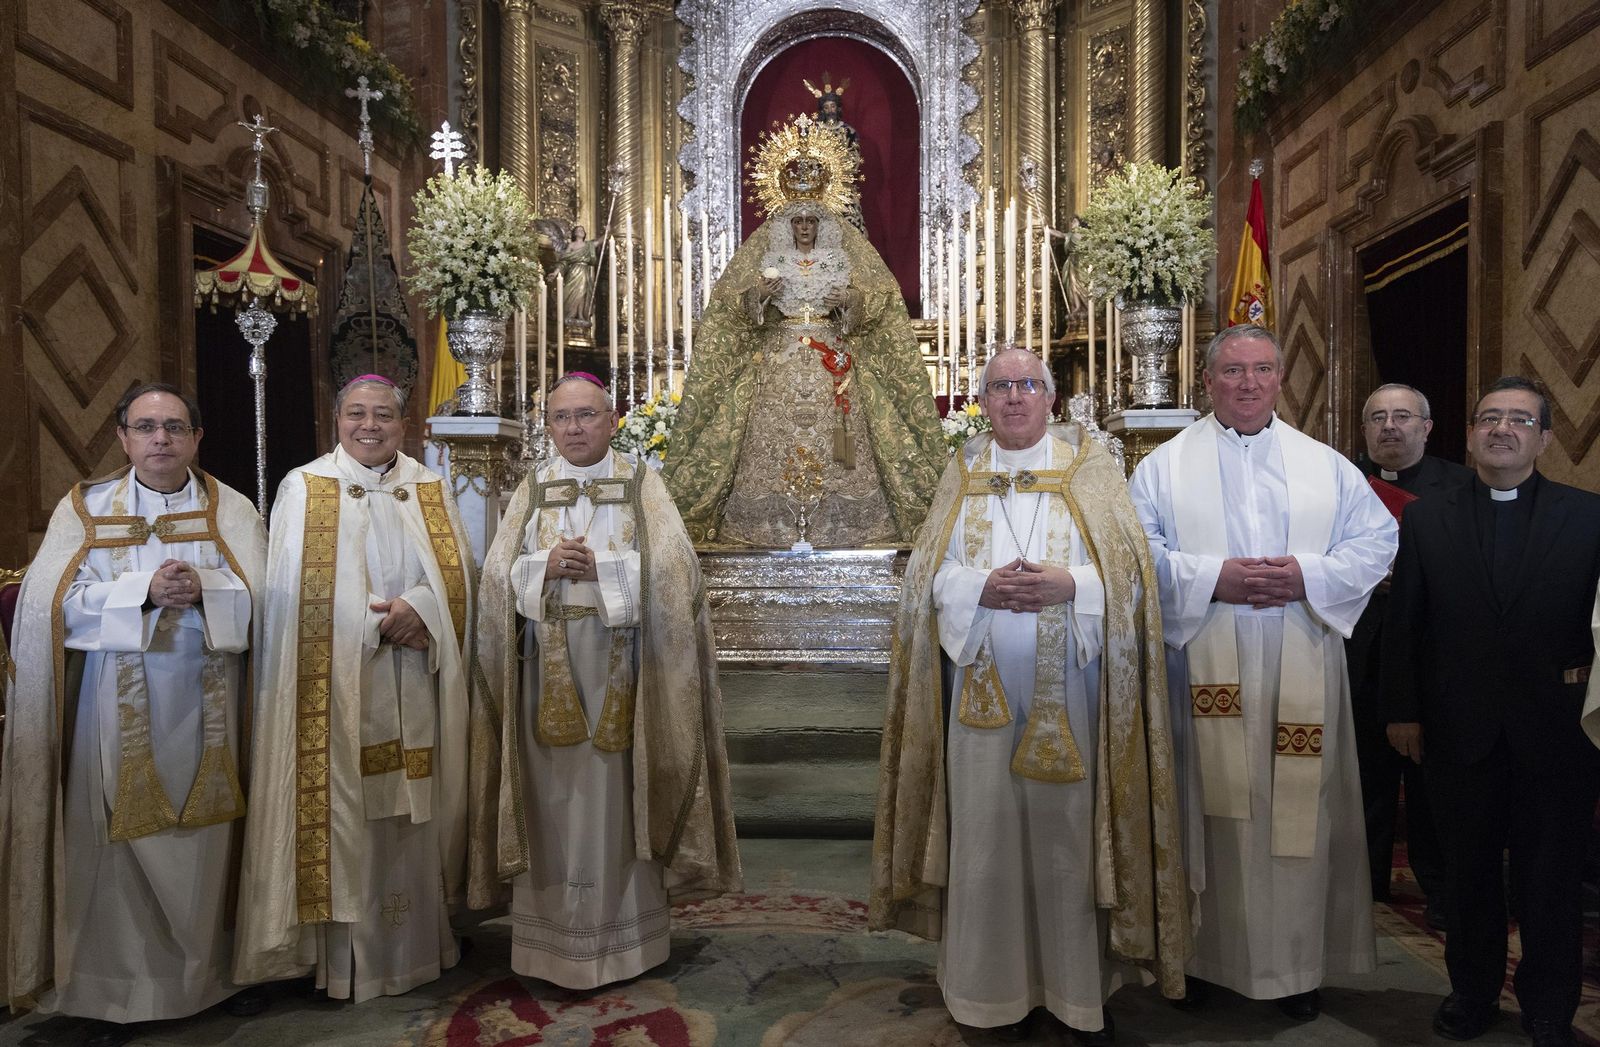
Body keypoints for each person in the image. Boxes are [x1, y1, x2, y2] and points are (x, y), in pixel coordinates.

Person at [871, 348, 1190, 1045]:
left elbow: (1132, 576)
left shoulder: (1093, 472)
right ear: (981, 401)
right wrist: (978, 587)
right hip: (975, 701)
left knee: (1067, 840)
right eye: (998, 387)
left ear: (1050, 398)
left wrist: (1070, 585)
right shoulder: (962, 473)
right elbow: (929, 573)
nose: (1013, 397)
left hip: (1072, 694)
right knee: (984, 835)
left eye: (1026, 385)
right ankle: (990, 996)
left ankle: (1076, 997)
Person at [1128, 324, 1396, 1021]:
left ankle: (1297, 967)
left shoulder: (1325, 465)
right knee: (1212, 811)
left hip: (1300, 649)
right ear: (1208, 381)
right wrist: (1214, 576)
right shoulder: (1163, 467)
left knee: (1297, 816)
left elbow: (1378, 540)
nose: (1247, 383)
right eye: (1233, 371)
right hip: (1204, 653)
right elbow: (1133, 548)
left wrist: (1305, 575)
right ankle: (1204, 959)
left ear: (1281, 378)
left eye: (1262, 369)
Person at [0, 384, 266, 1045]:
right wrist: (141, 594)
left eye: (174, 426)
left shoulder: (231, 510)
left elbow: (270, 602)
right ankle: (118, 994)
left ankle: (216, 977)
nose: (160, 439)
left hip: (215, 710)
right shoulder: (85, 509)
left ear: (197, 437)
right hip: (111, 709)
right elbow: (48, 605)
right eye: (145, 427)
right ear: (121, 437)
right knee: (112, 847)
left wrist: (208, 588)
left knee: (211, 846)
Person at [469, 372, 741, 987]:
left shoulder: (643, 483)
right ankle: (553, 944)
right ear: (548, 425)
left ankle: (627, 944)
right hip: (547, 677)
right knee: (553, 805)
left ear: (611, 420)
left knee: (616, 803)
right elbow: (495, 581)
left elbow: (677, 577)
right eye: (561, 418)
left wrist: (607, 568)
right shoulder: (534, 488)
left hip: (627, 680)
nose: (574, 429)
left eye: (586, 416)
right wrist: (541, 567)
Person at [233, 374, 472, 1003]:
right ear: (336, 420)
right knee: (349, 815)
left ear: (405, 421)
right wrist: (375, 624)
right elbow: (289, 602)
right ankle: (346, 964)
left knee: (411, 815)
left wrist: (423, 608)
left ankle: (425, 948)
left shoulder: (428, 484)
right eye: (357, 414)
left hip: (415, 681)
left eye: (385, 415)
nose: (371, 426)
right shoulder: (305, 487)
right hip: (339, 692)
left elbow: (459, 581)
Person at [1384, 377, 1600, 1047]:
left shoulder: (1590, 515)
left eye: (1518, 419)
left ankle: (1547, 1007)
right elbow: (1405, 625)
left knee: (1550, 881)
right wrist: (1402, 711)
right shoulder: (1427, 516)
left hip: (1557, 731)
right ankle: (1472, 992)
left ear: (1543, 437)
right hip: (1458, 728)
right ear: (1471, 432)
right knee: (1469, 875)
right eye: (1488, 418)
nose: (1501, 429)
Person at [663, 199, 945, 548]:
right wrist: (760, 296)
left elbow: (877, 303)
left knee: (840, 430)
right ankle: (772, 526)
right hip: (782, 355)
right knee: (772, 430)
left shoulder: (841, 258)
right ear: (789, 226)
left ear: (821, 225)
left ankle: (844, 525)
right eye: (798, 221)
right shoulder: (771, 260)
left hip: (833, 357)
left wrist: (849, 300)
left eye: (812, 220)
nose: (805, 227)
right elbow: (734, 308)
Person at [1347, 383, 1469, 923]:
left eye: (1402, 417)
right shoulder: (1342, 482)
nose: (1389, 427)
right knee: (1363, 780)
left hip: (1431, 657)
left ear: (1427, 427)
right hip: (1359, 651)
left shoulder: (1462, 487)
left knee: (1431, 787)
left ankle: (1442, 890)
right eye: (1377, 418)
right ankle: (1362, 888)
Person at [557, 223, 598, 325]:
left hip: (584, 271)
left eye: (583, 230)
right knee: (572, 292)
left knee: (583, 293)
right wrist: (555, 272)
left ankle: (581, 315)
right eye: (579, 230)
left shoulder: (589, 245)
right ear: (574, 233)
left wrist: (608, 232)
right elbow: (564, 260)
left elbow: (599, 241)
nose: (581, 231)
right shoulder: (571, 245)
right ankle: (570, 314)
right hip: (573, 272)